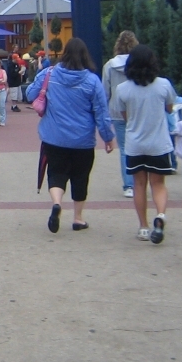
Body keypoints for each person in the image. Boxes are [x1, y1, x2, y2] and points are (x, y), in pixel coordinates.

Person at [27, 38, 115, 234]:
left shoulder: (49, 74)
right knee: (80, 177)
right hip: (82, 140)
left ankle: (57, 203)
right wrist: (107, 137)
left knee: (56, 174)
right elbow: (101, 112)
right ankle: (78, 218)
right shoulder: (92, 81)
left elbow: (31, 94)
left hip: (53, 137)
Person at [112, 45, 177, 244]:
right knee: (158, 184)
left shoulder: (122, 89)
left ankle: (143, 227)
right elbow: (170, 108)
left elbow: (125, 116)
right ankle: (161, 215)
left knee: (139, 185)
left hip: (135, 144)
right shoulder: (163, 85)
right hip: (158, 143)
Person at [103, 30, 139, 199]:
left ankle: (128, 185)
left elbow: (105, 91)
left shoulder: (110, 66)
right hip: (138, 110)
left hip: (117, 111)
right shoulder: (139, 63)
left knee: (124, 149)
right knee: (139, 147)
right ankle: (140, 182)